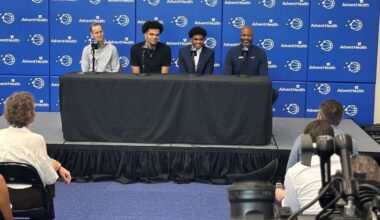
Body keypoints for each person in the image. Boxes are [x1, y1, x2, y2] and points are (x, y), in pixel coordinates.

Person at [0, 91, 71, 220]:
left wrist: (58, 166)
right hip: (29, 199)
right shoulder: (36, 139)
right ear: (30, 115)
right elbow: (49, 178)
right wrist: (55, 168)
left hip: (2, 197)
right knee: (49, 184)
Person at [275, 119, 339, 215]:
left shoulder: (295, 171)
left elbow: (292, 210)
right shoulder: (350, 165)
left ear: (305, 142)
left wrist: (282, 197)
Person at [286, 99, 359, 170]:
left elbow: (290, 169)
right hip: (337, 181)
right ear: (340, 119)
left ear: (319, 116)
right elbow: (354, 171)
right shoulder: (350, 142)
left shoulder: (304, 139)